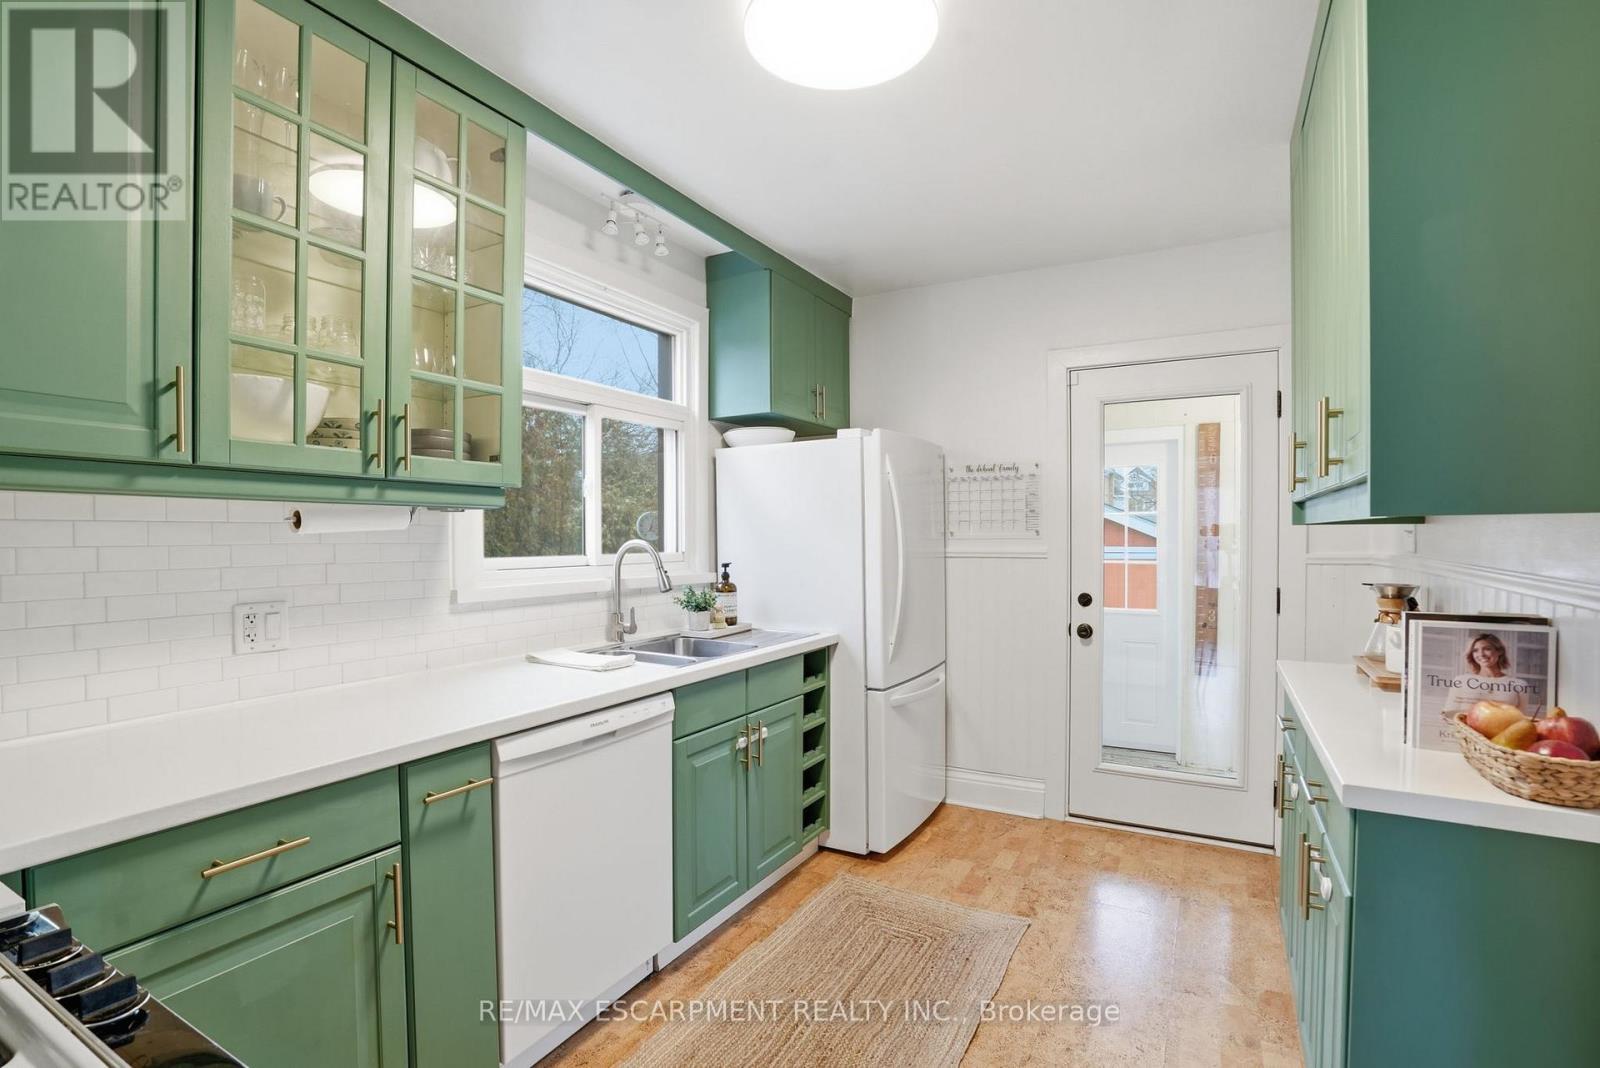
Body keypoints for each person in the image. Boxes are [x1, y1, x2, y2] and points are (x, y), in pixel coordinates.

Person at [1442, 633, 1539, 714]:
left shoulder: (1520, 685)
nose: (1481, 654)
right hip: (1465, 731)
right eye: (1475, 651)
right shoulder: (1461, 681)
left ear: (1499, 651)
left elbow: (1520, 720)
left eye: (1487, 649)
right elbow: (1449, 715)